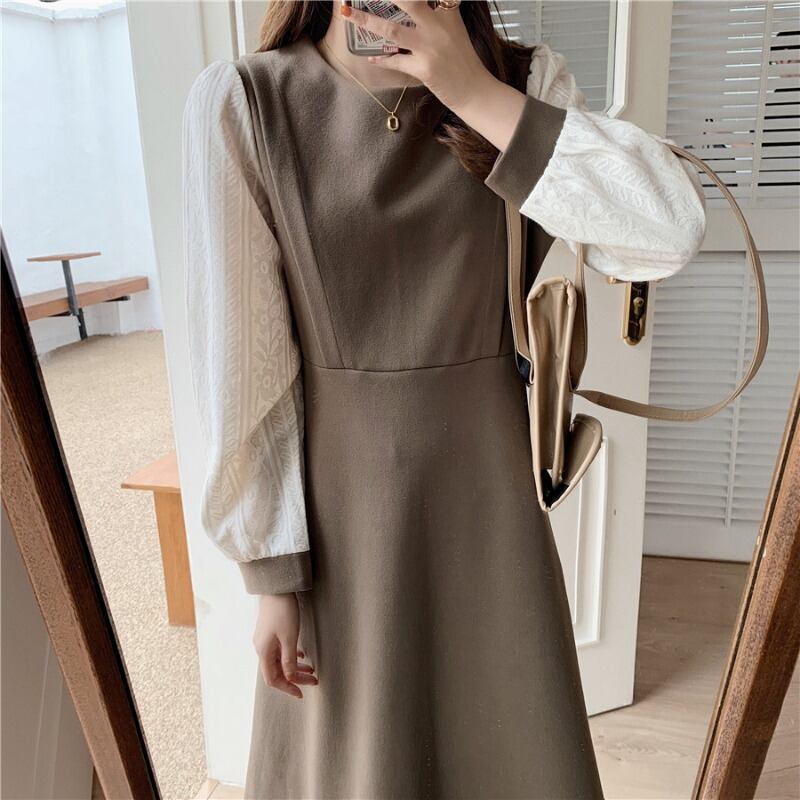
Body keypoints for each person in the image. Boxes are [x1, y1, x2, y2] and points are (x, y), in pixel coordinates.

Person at [182, 1, 706, 797]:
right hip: (342, 520)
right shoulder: (247, 103)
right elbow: (245, 360)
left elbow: (668, 230)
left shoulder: (522, 83)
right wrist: (271, 572)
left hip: (489, 504)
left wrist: (472, 92)